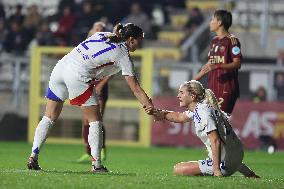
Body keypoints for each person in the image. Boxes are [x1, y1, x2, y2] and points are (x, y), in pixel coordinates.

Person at [27, 23, 153, 173]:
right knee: (96, 120)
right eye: (140, 40)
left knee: (49, 116)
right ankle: (97, 165)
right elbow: (136, 89)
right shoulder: (123, 55)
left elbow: (106, 42)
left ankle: (33, 157)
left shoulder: (101, 35)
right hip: (77, 75)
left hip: (60, 68)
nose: (141, 43)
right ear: (131, 40)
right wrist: (150, 106)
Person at [144, 80, 259, 177]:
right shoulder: (201, 108)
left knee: (178, 169)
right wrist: (156, 112)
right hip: (237, 157)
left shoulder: (203, 112)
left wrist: (216, 171)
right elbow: (179, 117)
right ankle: (248, 173)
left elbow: (215, 141)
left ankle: (217, 169)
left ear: (192, 96)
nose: (178, 96)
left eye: (181, 93)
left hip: (225, 165)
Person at [193, 10, 242, 114]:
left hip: (226, 89)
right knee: (211, 124)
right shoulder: (214, 41)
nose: (210, 22)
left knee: (217, 122)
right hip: (213, 88)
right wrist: (191, 81)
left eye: (212, 20)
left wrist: (217, 66)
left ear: (219, 22)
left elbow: (237, 63)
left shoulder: (232, 41)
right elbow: (210, 64)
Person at [77, 21, 109, 162]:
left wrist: (101, 85)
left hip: (100, 87)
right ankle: (88, 151)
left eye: (101, 29)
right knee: (85, 120)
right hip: (87, 85)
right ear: (91, 31)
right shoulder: (86, 46)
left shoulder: (107, 47)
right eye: (96, 28)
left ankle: (101, 150)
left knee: (97, 119)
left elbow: (111, 70)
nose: (98, 31)